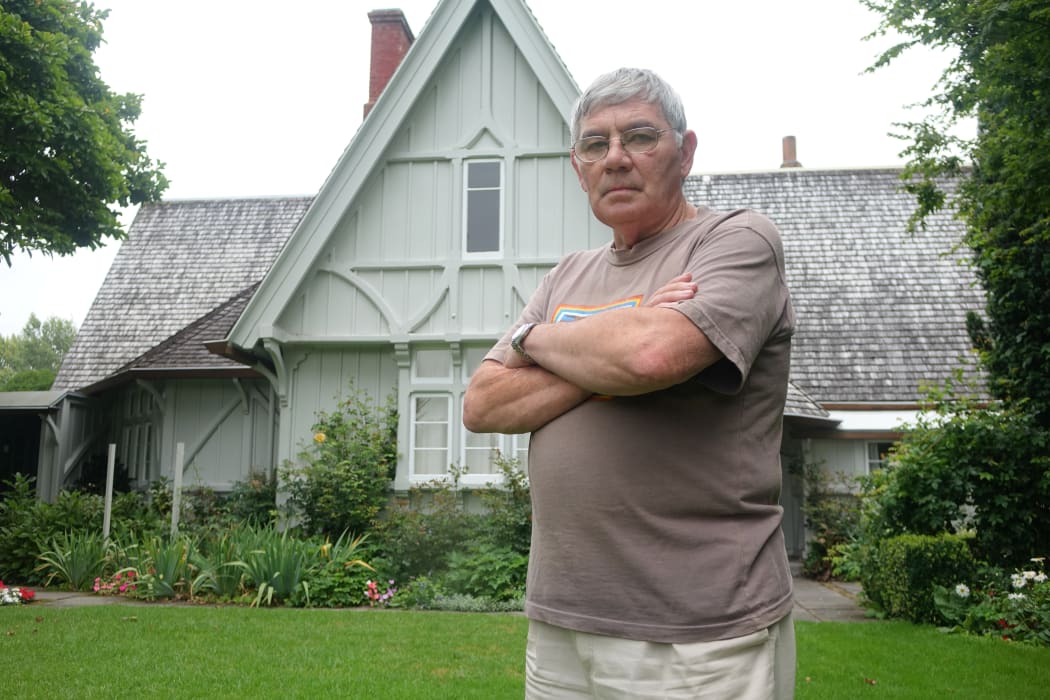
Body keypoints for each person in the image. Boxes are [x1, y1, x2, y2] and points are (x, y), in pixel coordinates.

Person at [463, 67, 796, 699]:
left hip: (699, 634)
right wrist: (617, 333)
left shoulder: (734, 242)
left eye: (639, 137)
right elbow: (483, 403)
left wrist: (536, 342)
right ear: (578, 167)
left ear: (685, 151)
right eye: (595, 144)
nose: (615, 159)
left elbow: (650, 357)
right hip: (562, 624)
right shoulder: (568, 275)